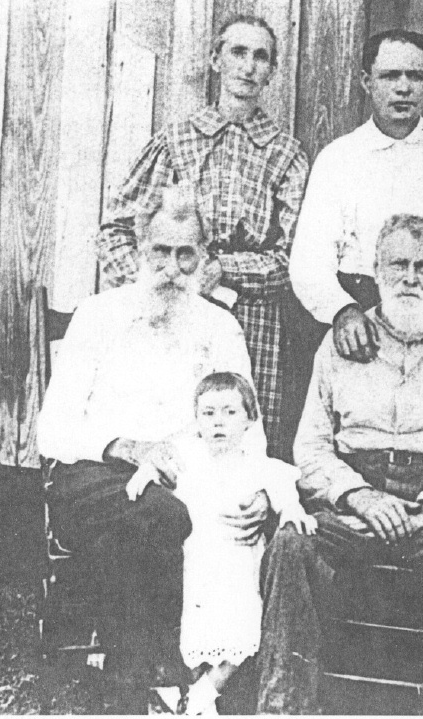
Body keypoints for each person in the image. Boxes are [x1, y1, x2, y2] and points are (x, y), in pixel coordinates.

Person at [257, 215, 423, 715]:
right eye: (397, 265)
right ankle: (282, 709)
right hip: (352, 499)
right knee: (291, 543)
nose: (410, 278)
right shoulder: (340, 342)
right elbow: (309, 448)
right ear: (374, 270)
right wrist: (357, 495)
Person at [37, 187, 268, 713]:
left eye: (186, 253)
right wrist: (125, 445)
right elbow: (52, 430)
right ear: (139, 251)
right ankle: (148, 678)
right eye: (160, 252)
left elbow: (250, 428)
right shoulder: (97, 316)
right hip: (93, 472)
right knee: (157, 517)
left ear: (205, 258)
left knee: (192, 514)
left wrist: (256, 488)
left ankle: (164, 671)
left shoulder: (220, 327)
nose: (172, 267)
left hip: (190, 476)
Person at [96, 15, 309, 460]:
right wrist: (155, 284)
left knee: (240, 440)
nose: (248, 67)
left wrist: (225, 268)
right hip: (173, 312)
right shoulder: (176, 141)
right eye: (237, 52)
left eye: (261, 56)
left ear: (272, 70)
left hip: (253, 319)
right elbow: (116, 230)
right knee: (169, 419)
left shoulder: (285, 154)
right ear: (216, 59)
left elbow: (294, 258)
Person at [289, 29, 423, 364]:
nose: (403, 87)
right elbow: (309, 262)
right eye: (390, 75)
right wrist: (342, 311)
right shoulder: (339, 157)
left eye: (415, 76)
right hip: (362, 319)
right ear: (367, 82)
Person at [127, 372, 316, 715]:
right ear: (196, 420)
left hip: (239, 568)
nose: (219, 423)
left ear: (250, 419)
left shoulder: (258, 464)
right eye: (209, 413)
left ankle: (203, 695)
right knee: (196, 631)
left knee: (242, 628)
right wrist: (143, 477)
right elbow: (155, 468)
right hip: (196, 565)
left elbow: (282, 488)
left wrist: (291, 509)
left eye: (230, 413)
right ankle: (189, 690)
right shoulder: (186, 457)